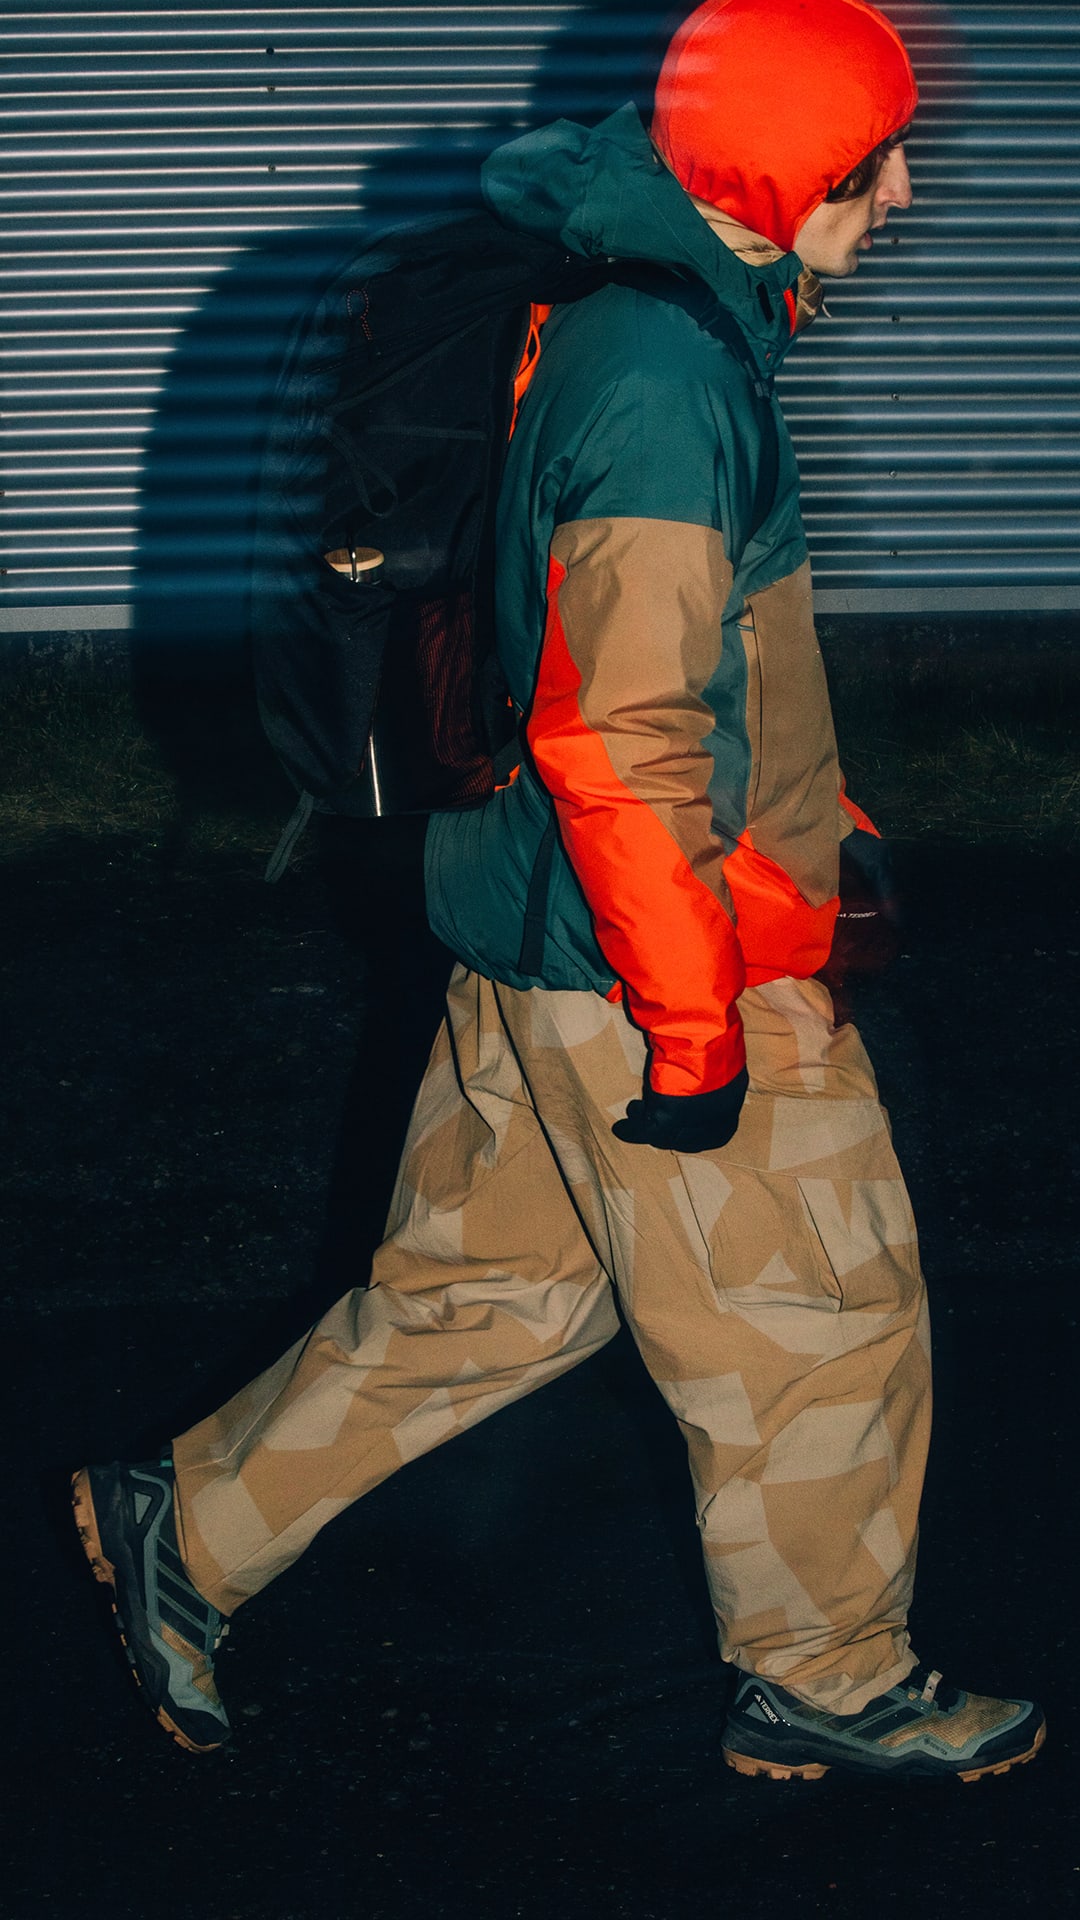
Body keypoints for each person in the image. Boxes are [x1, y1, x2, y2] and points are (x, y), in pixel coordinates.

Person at [72, 0, 1044, 1781]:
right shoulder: (667, 374)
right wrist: (699, 1031)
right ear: (769, 177)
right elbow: (623, 736)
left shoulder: (628, 308)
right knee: (820, 1319)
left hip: (532, 936)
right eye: (867, 163)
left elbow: (649, 666)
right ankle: (830, 1683)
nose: (902, 191)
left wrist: (836, 813)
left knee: (488, 1295)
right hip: (654, 957)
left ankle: (185, 1522)